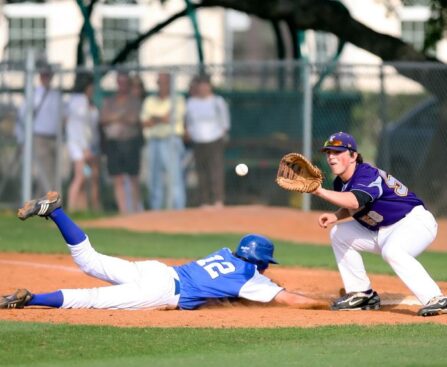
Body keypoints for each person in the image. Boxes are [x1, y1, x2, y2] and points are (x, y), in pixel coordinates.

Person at [0, 192, 326, 311]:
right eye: (265, 265)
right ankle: (30, 299)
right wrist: (329, 305)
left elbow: (226, 288)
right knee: (92, 299)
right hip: (161, 291)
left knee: (89, 261)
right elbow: (290, 299)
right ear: (260, 263)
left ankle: (56, 211)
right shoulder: (250, 278)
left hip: (158, 270)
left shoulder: (226, 253)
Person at [311, 131, 447, 317]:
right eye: (328, 153)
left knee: (393, 251)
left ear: (353, 156)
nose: (331, 157)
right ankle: (362, 294)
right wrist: (336, 216)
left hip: (414, 223)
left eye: (337, 152)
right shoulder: (340, 183)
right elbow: (353, 205)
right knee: (339, 233)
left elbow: (355, 201)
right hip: (383, 230)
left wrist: (319, 191)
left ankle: (437, 299)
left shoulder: (366, 174)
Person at [140, 72, 186, 210]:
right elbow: (145, 122)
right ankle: (155, 210)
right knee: (154, 178)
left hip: (171, 140)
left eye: (164, 82)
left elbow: (170, 119)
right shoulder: (150, 101)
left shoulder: (177, 99)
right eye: (159, 82)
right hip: (154, 141)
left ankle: (178, 209)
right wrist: (160, 118)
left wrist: (155, 119)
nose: (161, 85)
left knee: (174, 177)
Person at [16, 62, 63, 196]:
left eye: (49, 75)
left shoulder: (56, 95)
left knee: (54, 173)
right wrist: (22, 138)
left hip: (55, 137)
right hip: (39, 137)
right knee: (44, 173)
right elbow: (22, 116)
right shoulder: (34, 94)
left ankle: (44, 202)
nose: (46, 78)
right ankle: (45, 203)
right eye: (44, 75)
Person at [185, 75, 230, 209]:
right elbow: (188, 122)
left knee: (216, 170)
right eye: (201, 85)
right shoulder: (191, 102)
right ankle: (204, 201)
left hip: (215, 139)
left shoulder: (217, 101)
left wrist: (221, 134)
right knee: (201, 171)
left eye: (206, 85)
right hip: (198, 140)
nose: (203, 88)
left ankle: (218, 200)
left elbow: (225, 121)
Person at [100, 71, 142, 214]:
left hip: (130, 142)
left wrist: (114, 117)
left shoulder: (134, 101)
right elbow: (103, 119)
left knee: (133, 177)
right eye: (120, 82)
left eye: (125, 82)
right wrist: (120, 116)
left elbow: (133, 119)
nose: (122, 85)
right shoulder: (110, 101)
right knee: (117, 177)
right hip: (114, 143)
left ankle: (135, 210)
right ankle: (123, 211)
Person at [65, 72, 101, 212]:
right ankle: (71, 208)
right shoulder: (80, 101)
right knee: (80, 176)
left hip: (83, 145)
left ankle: (82, 208)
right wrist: (85, 148)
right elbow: (81, 128)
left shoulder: (80, 101)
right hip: (79, 146)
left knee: (86, 176)